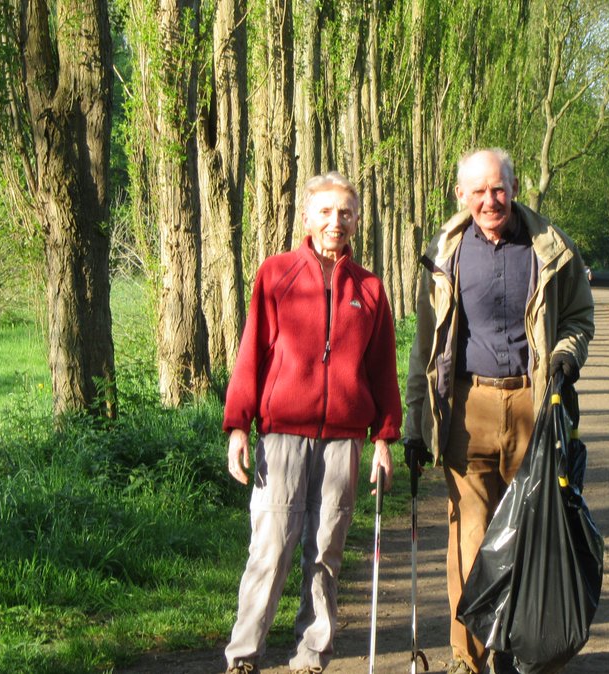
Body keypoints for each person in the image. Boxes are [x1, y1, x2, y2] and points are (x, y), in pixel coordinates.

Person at [401, 148, 595, 674]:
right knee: (471, 534)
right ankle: (469, 656)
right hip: (466, 409)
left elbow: (579, 316)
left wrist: (564, 357)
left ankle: (530, 649)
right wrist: (415, 421)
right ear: (461, 195)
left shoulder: (550, 247)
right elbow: (425, 346)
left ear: (514, 188)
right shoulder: (446, 253)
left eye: (500, 188)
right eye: (479, 191)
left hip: (534, 404)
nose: (491, 200)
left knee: (535, 532)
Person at [222, 172, 402, 674]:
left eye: (345, 213)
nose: (335, 222)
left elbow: (381, 369)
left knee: (325, 551)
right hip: (281, 436)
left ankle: (311, 654)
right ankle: (243, 656)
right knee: (271, 549)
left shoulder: (370, 289)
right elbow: (251, 354)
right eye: (325, 211)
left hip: (343, 441)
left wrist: (384, 439)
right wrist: (239, 425)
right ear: (307, 217)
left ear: (356, 220)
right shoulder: (276, 273)